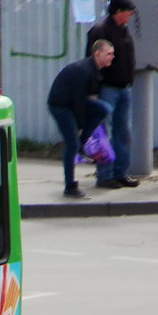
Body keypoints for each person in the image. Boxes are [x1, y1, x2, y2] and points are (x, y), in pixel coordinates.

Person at [46, 39, 114, 199]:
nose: (112, 57)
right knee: (72, 143)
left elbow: (89, 97)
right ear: (97, 54)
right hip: (61, 106)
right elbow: (77, 102)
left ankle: (82, 144)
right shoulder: (83, 70)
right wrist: (79, 127)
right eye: (109, 54)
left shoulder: (95, 69)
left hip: (73, 102)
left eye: (112, 54)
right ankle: (70, 186)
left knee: (104, 108)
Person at [86, 0, 140, 189]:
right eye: (128, 12)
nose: (130, 16)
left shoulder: (123, 30)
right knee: (103, 133)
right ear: (118, 12)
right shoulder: (101, 31)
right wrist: (93, 90)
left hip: (123, 87)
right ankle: (105, 176)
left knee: (123, 132)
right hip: (107, 88)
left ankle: (120, 173)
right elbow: (91, 63)